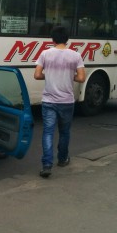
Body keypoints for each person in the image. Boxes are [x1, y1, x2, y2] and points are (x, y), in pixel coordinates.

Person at [34, 26, 86, 178]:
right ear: (67, 39)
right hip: (67, 101)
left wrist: (49, 75)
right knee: (64, 132)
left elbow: (37, 75)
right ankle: (62, 159)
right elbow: (82, 78)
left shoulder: (45, 54)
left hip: (49, 100)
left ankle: (47, 165)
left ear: (53, 39)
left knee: (48, 132)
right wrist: (70, 76)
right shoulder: (75, 56)